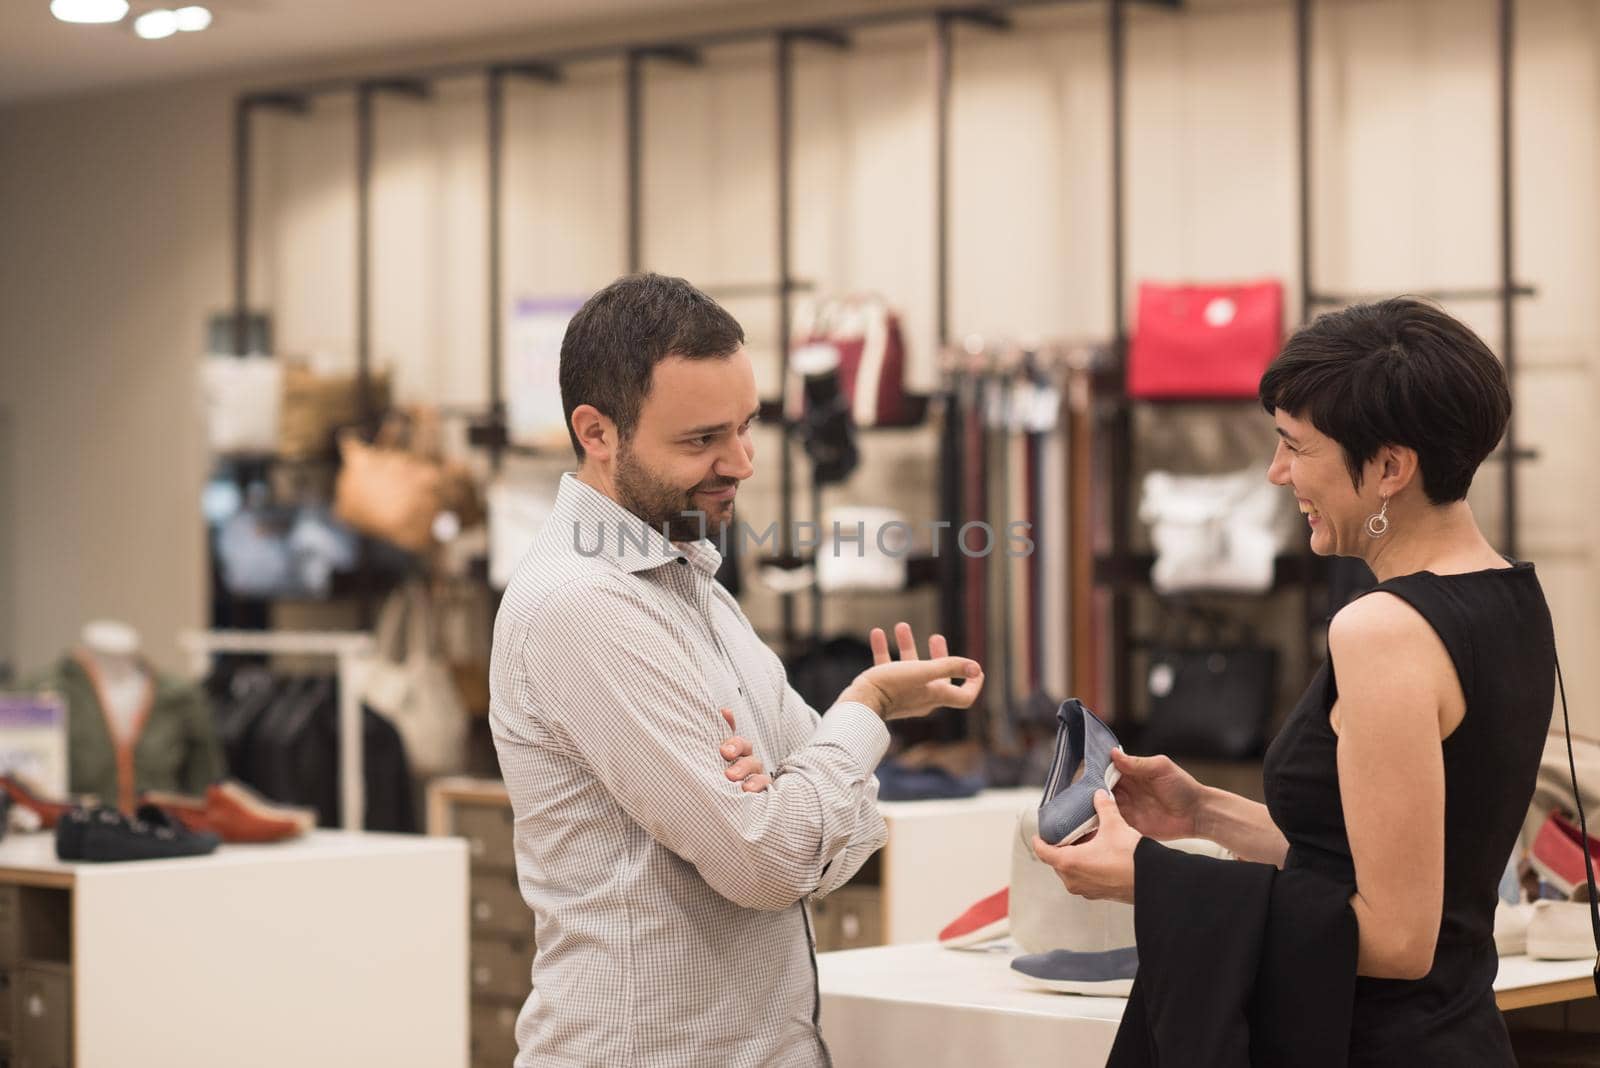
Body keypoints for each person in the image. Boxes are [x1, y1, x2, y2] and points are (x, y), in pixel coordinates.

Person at [1034, 298, 1556, 1065]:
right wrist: (1206, 812)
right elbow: (1382, 865)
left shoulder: (1382, 630)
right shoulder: (1510, 596)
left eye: (1295, 447)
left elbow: (1397, 938)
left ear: (1389, 467)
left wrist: (1151, 881)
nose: (1278, 475)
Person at [489, 273, 985, 1068]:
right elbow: (772, 861)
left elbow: (842, 841)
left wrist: (793, 796)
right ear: (597, 431)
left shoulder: (691, 584)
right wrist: (863, 711)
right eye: (701, 441)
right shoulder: (582, 605)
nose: (743, 462)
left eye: (748, 426)